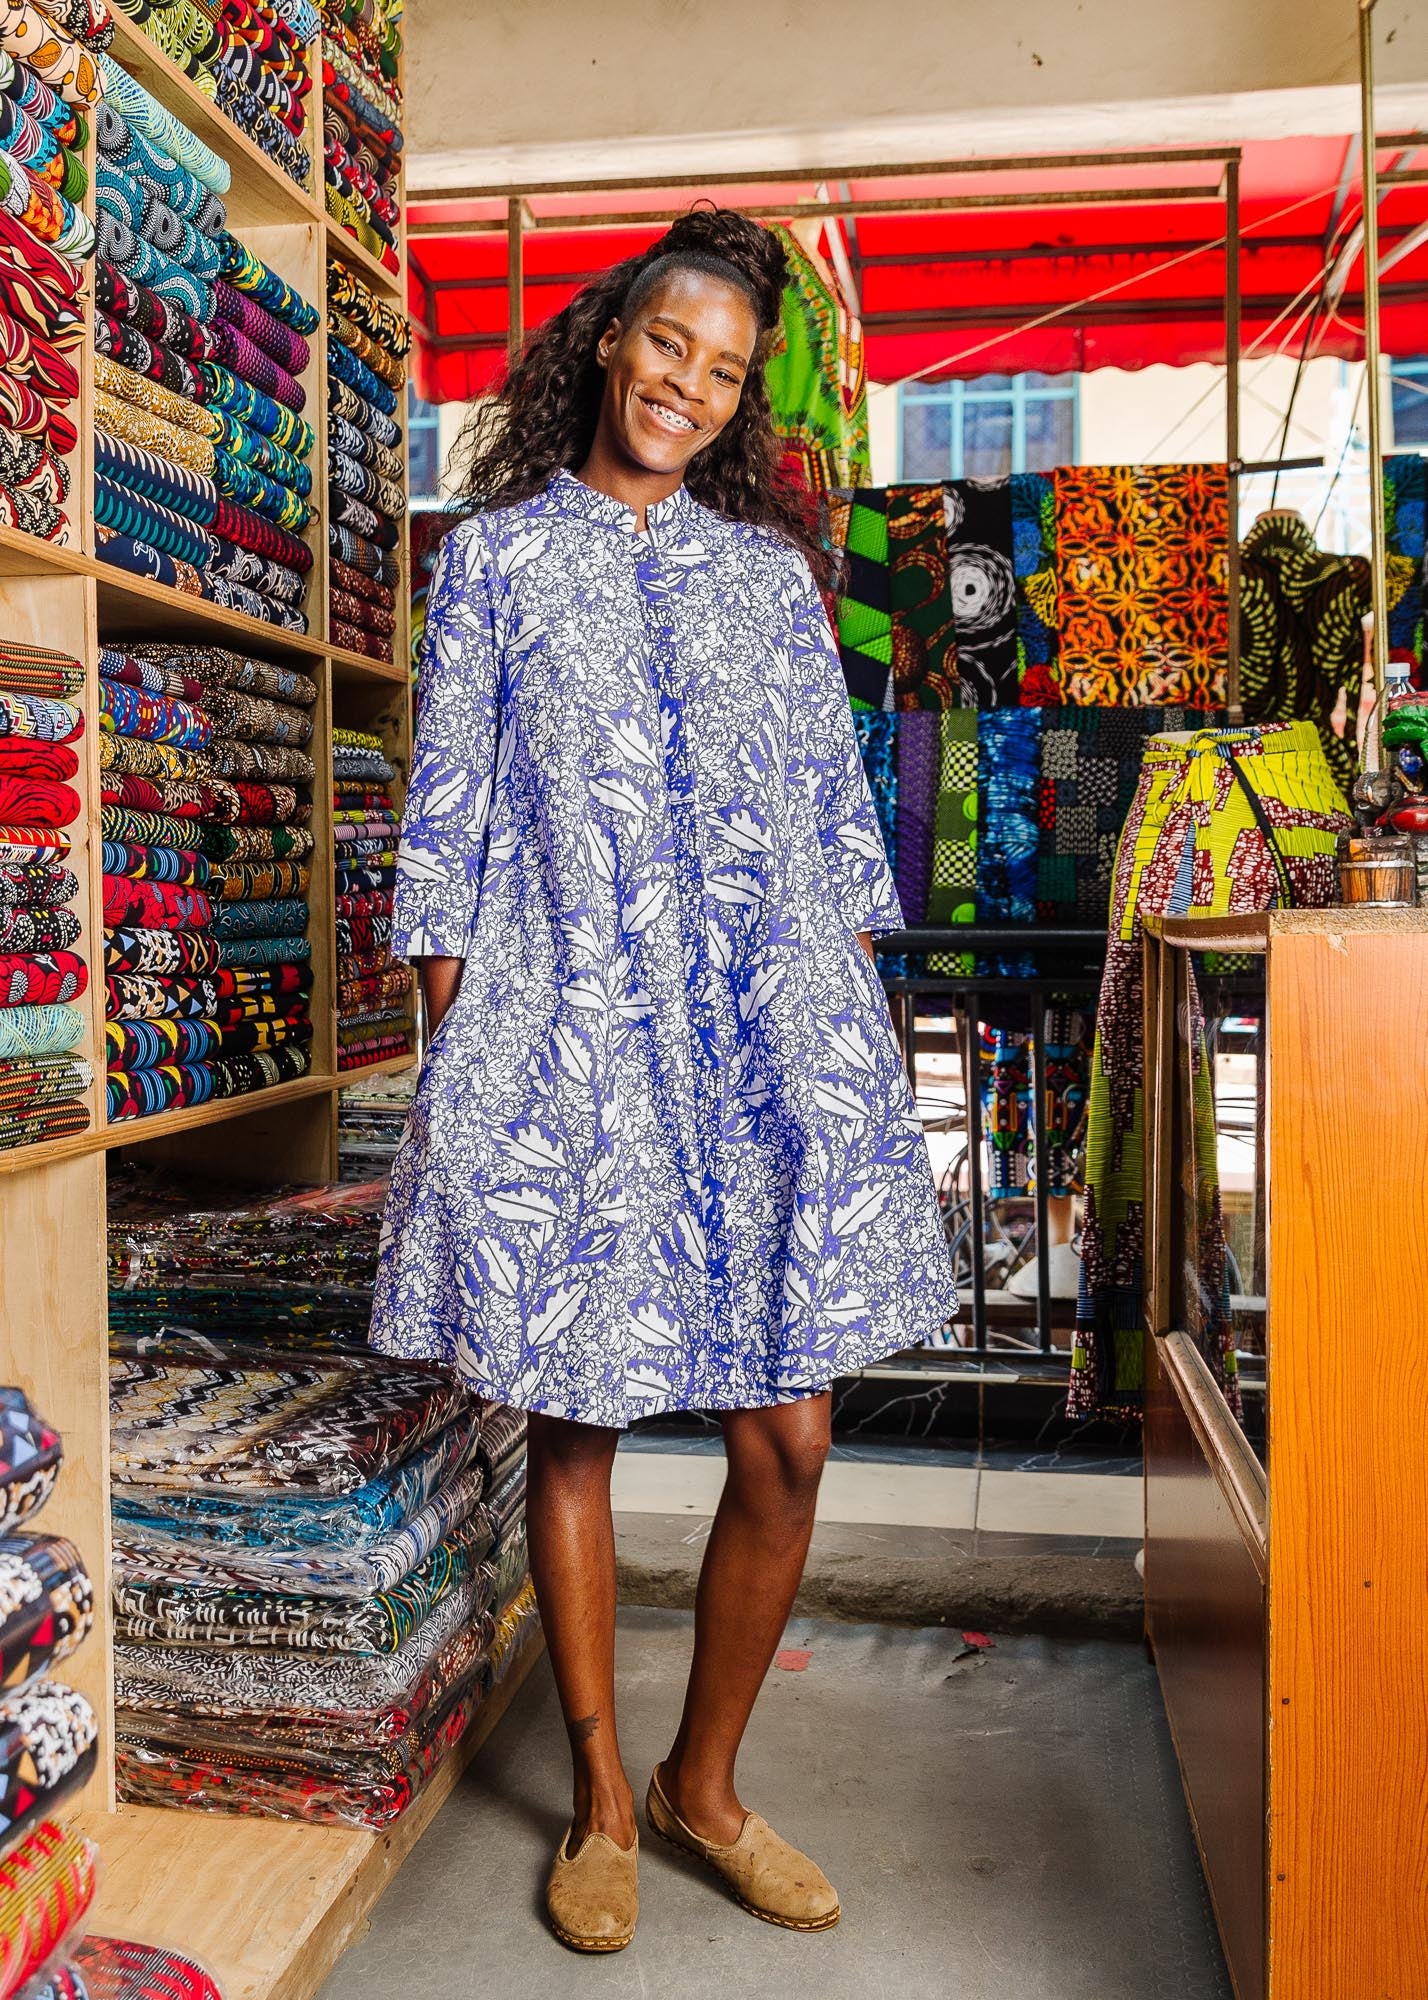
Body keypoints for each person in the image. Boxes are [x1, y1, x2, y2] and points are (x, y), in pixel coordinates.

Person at [371, 208, 955, 1952]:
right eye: (667, 347)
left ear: (737, 394)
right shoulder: (494, 563)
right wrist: (468, 1039)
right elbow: (451, 821)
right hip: (573, 1028)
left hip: (759, 1027)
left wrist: (846, 1030)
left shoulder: (766, 575)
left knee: (789, 1433)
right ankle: (606, 1810)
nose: (686, 387)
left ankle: (711, 1785)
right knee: (580, 1408)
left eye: (721, 370)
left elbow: (837, 812)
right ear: (612, 335)